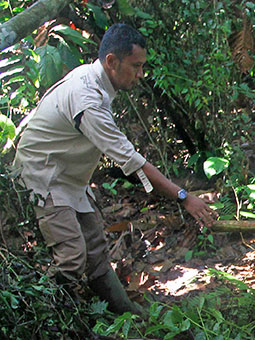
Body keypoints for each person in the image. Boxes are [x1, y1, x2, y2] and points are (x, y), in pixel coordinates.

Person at [13, 23, 216, 314]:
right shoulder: (87, 99)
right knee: (71, 257)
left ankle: (122, 313)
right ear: (112, 61)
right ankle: (52, 323)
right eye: (135, 66)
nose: (140, 74)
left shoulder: (94, 82)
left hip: (68, 178)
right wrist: (184, 197)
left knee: (95, 248)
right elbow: (134, 163)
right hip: (43, 176)